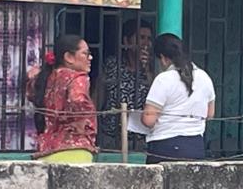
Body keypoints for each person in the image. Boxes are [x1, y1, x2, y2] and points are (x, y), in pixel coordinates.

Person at [141, 33, 215, 163]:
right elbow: (210, 114)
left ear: (163, 58)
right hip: (196, 146)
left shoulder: (164, 79)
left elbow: (148, 120)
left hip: (165, 147)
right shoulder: (204, 77)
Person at [31, 34, 97, 163]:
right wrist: (82, 121)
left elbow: (31, 91)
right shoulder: (77, 78)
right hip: (74, 150)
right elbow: (77, 99)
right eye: (85, 54)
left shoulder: (47, 78)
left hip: (46, 150)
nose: (90, 57)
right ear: (69, 57)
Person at [99, 18, 154, 152]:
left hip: (140, 137)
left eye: (149, 39)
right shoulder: (112, 64)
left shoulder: (152, 68)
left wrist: (146, 68)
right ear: (126, 41)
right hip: (110, 135)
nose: (146, 43)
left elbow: (157, 96)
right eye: (141, 38)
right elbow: (99, 94)